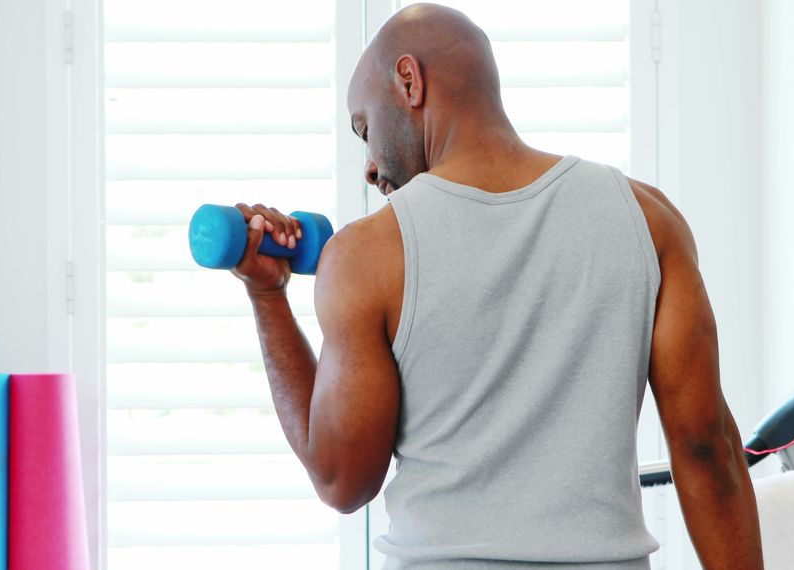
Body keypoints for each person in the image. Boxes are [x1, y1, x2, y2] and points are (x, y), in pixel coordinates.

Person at [230, 3, 762, 568]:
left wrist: (267, 297)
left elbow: (342, 480)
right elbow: (707, 446)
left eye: (365, 128)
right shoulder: (647, 219)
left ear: (408, 80)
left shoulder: (365, 255)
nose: (368, 165)